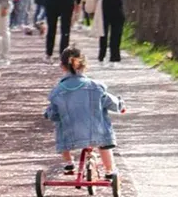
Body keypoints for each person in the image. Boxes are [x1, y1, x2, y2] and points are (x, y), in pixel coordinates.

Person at [44, 47, 125, 180]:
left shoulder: (58, 91)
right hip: (96, 131)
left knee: (61, 127)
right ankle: (109, 171)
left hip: (70, 134)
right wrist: (121, 106)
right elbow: (111, 102)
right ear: (84, 65)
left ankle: (69, 163)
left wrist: (48, 114)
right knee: (104, 142)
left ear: (62, 66)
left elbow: (53, 113)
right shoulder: (95, 87)